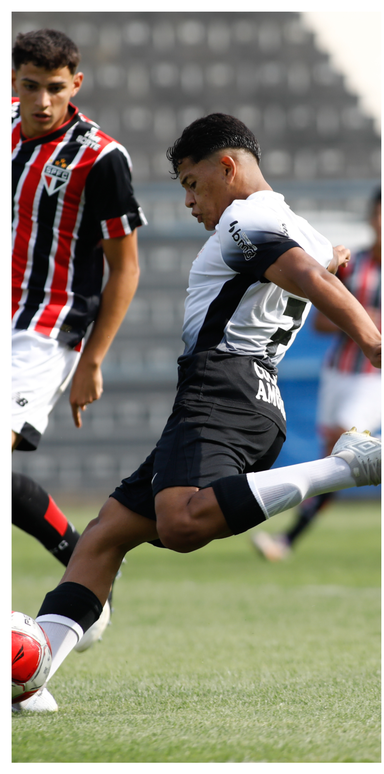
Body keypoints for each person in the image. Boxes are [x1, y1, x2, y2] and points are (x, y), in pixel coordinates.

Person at [14, 113, 382, 713]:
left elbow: (309, 273)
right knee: (106, 534)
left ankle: (343, 469)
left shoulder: (246, 217)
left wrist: (368, 337)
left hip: (222, 386)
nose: (189, 201)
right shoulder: (293, 223)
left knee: (181, 523)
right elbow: (324, 260)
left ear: (227, 167)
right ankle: (33, 678)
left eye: (192, 183)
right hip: (249, 395)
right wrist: (334, 259)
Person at [12, 29, 145, 648]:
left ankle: (33, 646)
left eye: (55, 88)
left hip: (44, 333)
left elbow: (127, 267)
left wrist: (93, 360)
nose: (42, 100)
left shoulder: (100, 157)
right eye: (31, 86)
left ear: (77, 84)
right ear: (14, 80)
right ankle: (79, 556)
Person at [253, 190, 382, 561]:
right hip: (337, 374)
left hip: (372, 379)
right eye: (376, 213)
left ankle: (287, 538)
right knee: (335, 458)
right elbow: (323, 321)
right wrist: (357, 321)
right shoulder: (353, 265)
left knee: (342, 455)